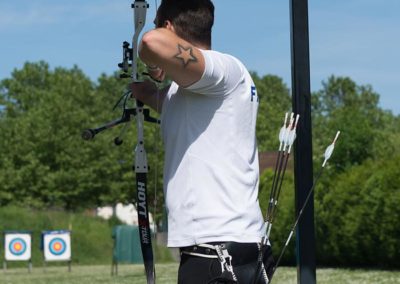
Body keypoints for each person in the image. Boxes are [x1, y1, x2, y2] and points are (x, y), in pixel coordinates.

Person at [131, 0, 274, 283]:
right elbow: (183, 112)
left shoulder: (223, 67)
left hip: (218, 251)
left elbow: (151, 42)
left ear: (168, 27)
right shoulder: (193, 90)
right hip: (226, 249)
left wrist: (155, 59)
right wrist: (148, 94)